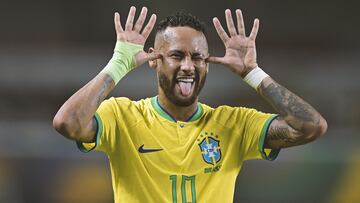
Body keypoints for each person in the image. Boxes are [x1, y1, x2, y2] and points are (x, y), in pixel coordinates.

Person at [53, 6, 327, 203]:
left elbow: (311, 127)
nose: (188, 66)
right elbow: (68, 123)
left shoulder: (234, 124)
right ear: (153, 60)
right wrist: (117, 66)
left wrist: (253, 74)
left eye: (197, 57)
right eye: (176, 55)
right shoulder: (122, 116)